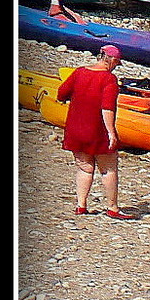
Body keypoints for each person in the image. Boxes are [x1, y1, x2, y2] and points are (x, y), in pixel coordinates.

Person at [56, 44, 134, 219]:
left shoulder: (79, 72)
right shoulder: (108, 79)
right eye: (117, 63)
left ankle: (81, 205)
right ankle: (112, 208)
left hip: (75, 129)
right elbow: (107, 108)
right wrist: (111, 132)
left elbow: (61, 93)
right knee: (108, 168)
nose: (116, 66)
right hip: (97, 130)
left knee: (84, 168)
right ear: (111, 60)